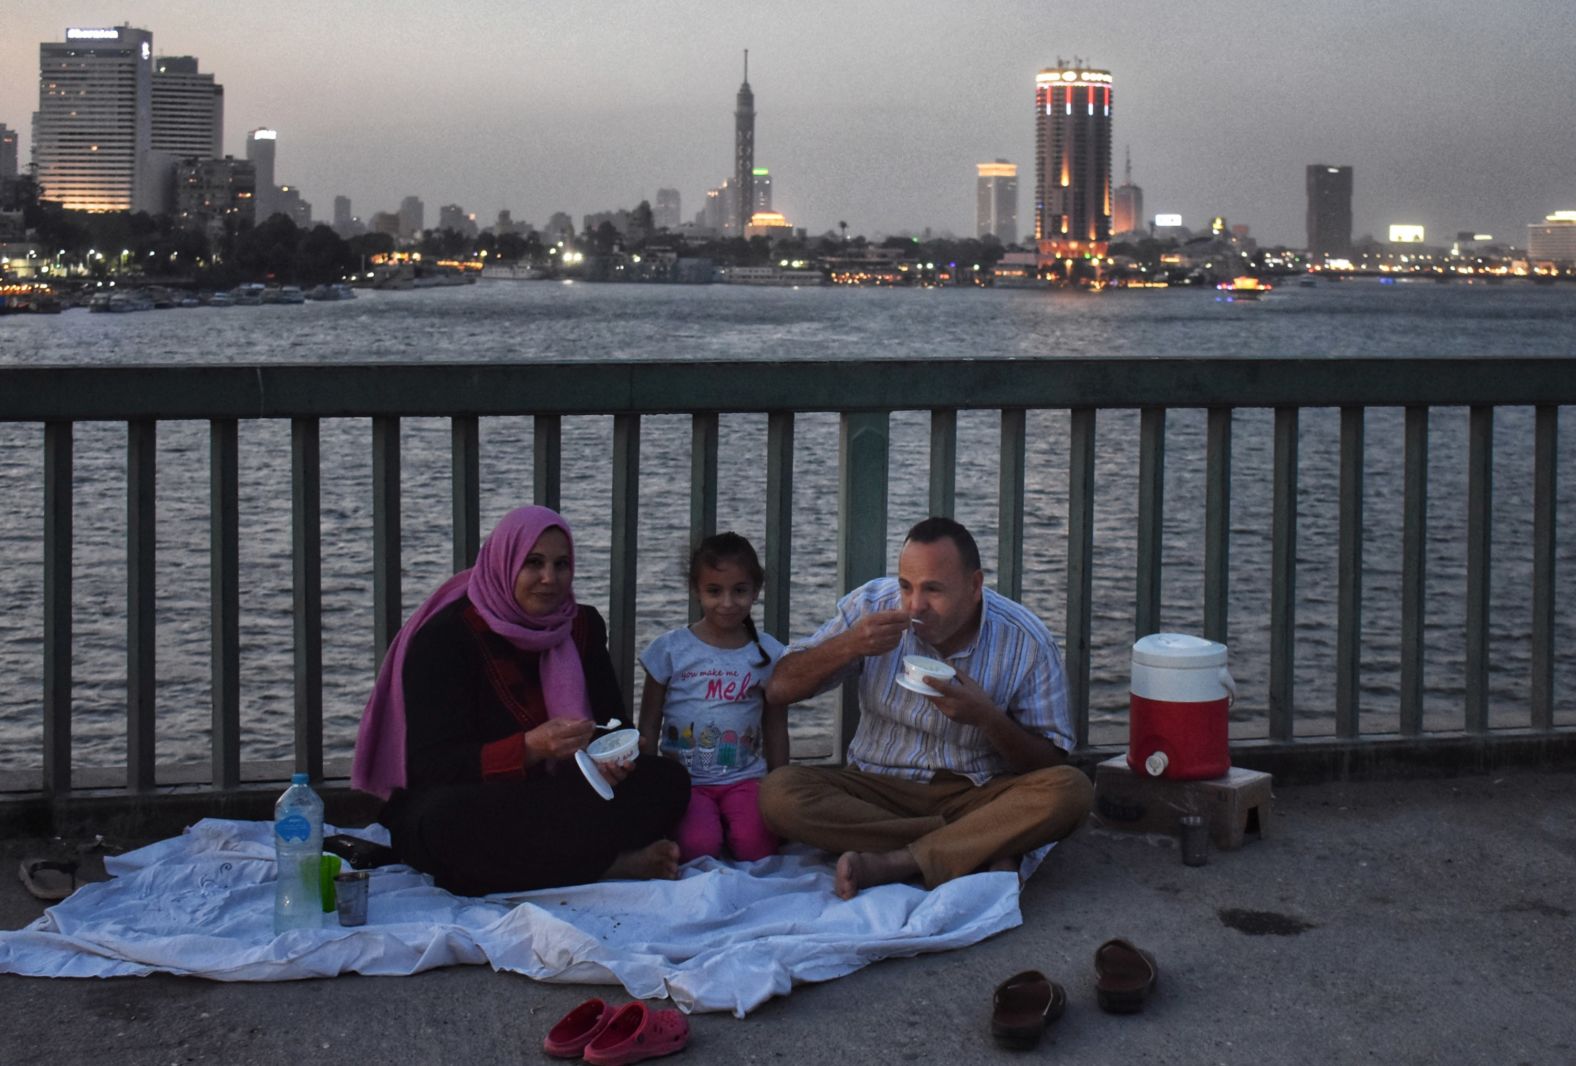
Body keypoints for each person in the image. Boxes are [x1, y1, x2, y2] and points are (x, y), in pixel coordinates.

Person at [351, 505, 690, 895]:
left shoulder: (581, 625)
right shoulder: (446, 638)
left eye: (561, 564)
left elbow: (610, 723)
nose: (550, 579)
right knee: (445, 825)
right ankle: (608, 865)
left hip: (562, 792)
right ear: (504, 562)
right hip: (479, 795)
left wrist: (615, 759)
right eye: (533, 563)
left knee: (668, 782)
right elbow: (432, 765)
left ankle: (539, 868)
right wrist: (529, 748)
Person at [759, 516, 1093, 899]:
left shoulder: (1024, 640)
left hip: (974, 792)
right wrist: (850, 644)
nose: (916, 606)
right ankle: (978, 847)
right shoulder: (871, 606)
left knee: (1072, 791)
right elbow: (779, 688)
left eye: (933, 590)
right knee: (778, 794)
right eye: (906, 586)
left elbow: (1051, 764)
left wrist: (987, 718)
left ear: (974, 586)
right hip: (874, 787)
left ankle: (897, 861)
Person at [637, 532, 787, 862]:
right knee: (698, 847)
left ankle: (736, 823)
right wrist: (648, 783)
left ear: (756, 591)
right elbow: (648, 720)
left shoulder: (768, 654)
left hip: (746, 779)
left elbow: (776, 728)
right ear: (696, 590)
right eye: (714, 591)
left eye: (740, 590)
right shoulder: (671, 650)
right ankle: (708, 824)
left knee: (756, 848)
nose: (728, 603)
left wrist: (780, 788)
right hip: (685, 782)